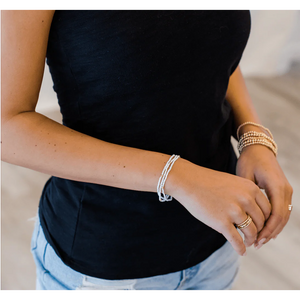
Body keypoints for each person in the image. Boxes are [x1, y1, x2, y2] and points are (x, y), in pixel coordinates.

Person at [2, 7, 293, 293]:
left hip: (218, 245)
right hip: (106, 269)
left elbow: (210, 50)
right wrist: (178, 177)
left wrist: (252, 136)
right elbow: (7, 127)